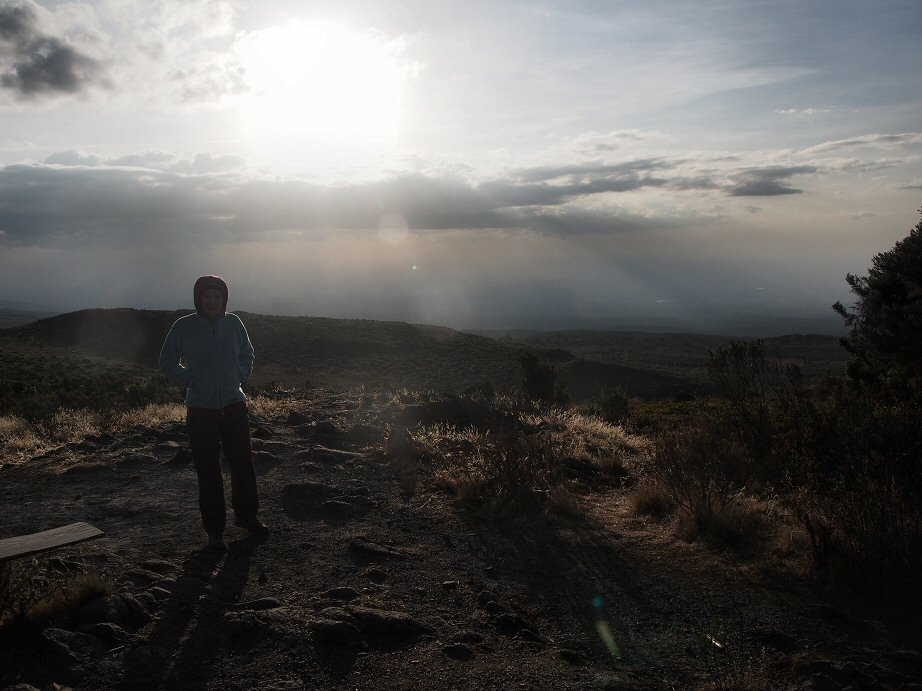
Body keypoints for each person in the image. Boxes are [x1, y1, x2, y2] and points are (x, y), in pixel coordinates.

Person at [159, 275, 269, 550]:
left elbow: (247, 353)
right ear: (199, 299)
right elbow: (167, 360)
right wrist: (190, 379)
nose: (212, 301)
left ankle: (247, 517)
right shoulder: (184, 326)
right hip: (201, 410)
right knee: (208, 471)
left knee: (242, 464)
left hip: (233, 405)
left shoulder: (234, 323)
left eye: (217, 296)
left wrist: (241, 375)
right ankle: (215, 532)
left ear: (224, 299)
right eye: (207, 296)